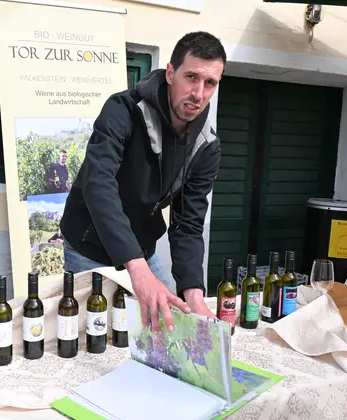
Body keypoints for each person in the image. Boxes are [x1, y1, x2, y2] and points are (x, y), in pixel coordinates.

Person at [60, 31, 225, 333]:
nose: (199, 93)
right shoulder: (122, 110)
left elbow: (188, 224)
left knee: (167, 330)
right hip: (89, 244)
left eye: (210, 83)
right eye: (191, 77)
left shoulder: (207, 146)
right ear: (171, 73)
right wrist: (138, 269)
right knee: (92, 338)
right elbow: (98, 184)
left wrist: (194, 294)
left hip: (142, 247)